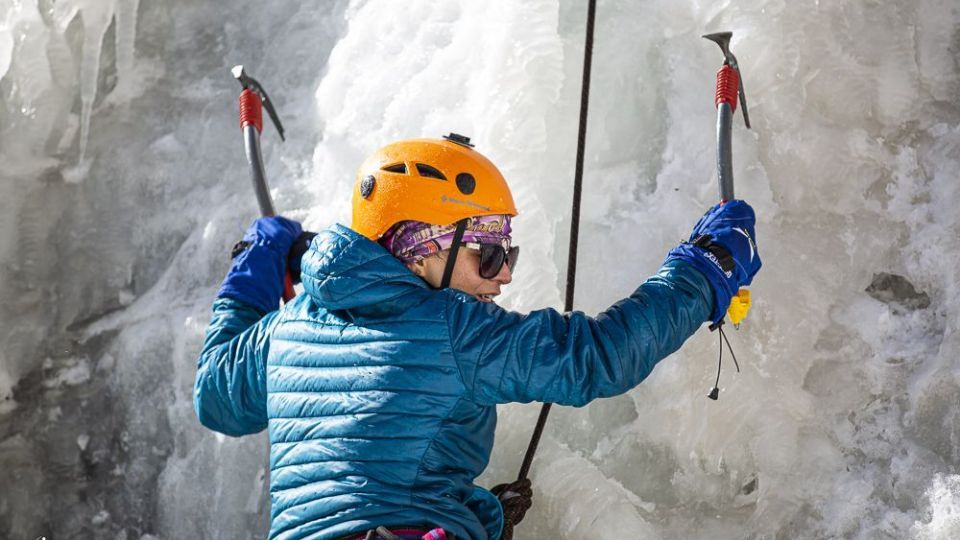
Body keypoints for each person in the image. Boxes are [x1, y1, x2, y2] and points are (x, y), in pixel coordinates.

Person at [194, 134, 761, 540]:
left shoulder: (287, 326)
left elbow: (217, 398)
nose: (506, 273)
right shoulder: (451, 326)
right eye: (488, 252)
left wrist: (251, 269)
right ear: (419, 247)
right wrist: (700, 271)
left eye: (507, 250)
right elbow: (596, 359)